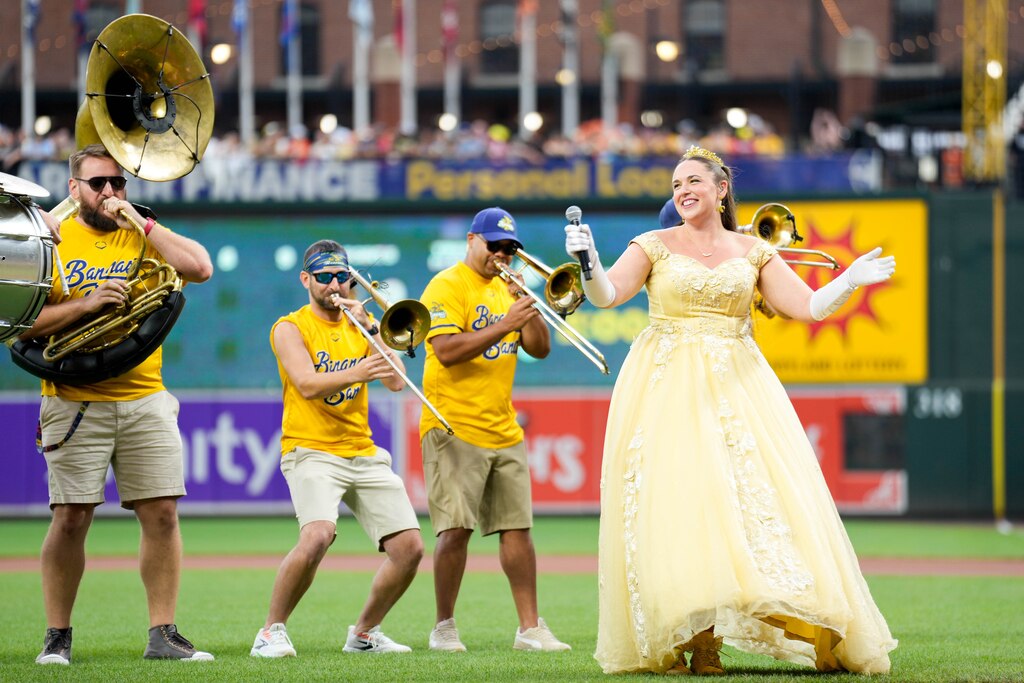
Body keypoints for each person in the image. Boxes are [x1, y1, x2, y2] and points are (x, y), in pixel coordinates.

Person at [564, 146, 898, 675]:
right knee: (682, 507)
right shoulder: (652, 244)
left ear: (721, 190)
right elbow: (606, 296)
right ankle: (699, 641)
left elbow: (806, 307)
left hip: (740, 386)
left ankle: (809, 620)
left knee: (763, 497)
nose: (682, 191)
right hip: (667, 386)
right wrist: (588, 262)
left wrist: (848, 281)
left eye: (692, 181)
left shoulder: (754, 250)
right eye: (675, 184)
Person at [22, 144, 215, 664]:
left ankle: (163, 634)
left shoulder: (140, 230)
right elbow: (17, 325)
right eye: (98, 184)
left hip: (145, 396)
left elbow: (200, 268)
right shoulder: (50, 239)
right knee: (70, 519)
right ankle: (57, 638)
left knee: (163, 515)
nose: (109, 192)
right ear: (73, 189)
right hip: (72, 400)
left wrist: (144, 224)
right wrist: (89, 303)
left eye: (118, 184)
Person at [251, 240, 423, 658]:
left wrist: (370, 330)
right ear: (306, 279)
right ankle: (270, 632)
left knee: (410, 549)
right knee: (318, 535)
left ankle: (364, 633)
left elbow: (398, 381)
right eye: (324, 276)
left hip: (361, 450)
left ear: (351, 279)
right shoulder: (289, 327)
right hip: (310, 449)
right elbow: (307, 384)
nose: (333, 284)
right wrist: (359, 371)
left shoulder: (359, 324)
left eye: (341, 276)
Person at [418, 207, 570, 653]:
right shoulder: (447, 284)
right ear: (471, 240)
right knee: (455, 531)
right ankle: (443, 626)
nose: (501, 255)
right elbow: (445, 351)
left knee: (517, 530)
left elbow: (539, 350)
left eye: (509, 249)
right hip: (453, 423)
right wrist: (505, 323)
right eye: (494, 246)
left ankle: (530, 628)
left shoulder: (509, 288)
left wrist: (531, 309)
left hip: (502, 426)